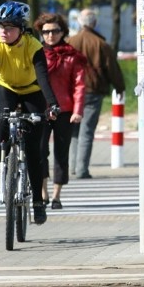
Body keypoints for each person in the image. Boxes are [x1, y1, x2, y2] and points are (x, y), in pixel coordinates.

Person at [0, 1, 60, 226]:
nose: (3, 32)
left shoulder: (33, 46)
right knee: (2, 115)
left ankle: (38, 202)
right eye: (0, 27)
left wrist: (52, 104)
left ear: (20, 28)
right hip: (4, 86)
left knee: (33, 150)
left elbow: (43, 78)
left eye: (9, 28)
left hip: (31, 90)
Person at [33, 12, 87, 209]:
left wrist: (78, 110)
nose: (50, 35)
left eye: (55, 31)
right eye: (46, 31)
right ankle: (43, 191)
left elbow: (79, 85)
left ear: (63, 32)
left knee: (61, 153)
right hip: (41, 109)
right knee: (39, 151)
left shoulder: (72, 56)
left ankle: (57, 195)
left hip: (65, 111)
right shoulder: (36, 54)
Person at [68, 8, 125, 179]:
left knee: (73, 131)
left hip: (72, 92)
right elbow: (112, 68)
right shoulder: (101, 44)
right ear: (94, 23)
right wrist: (119, 87)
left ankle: (72, 166)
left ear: (79, 22)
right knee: (87, 131)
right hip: (93, 91)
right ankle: (82, 169)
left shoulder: (70, 42)